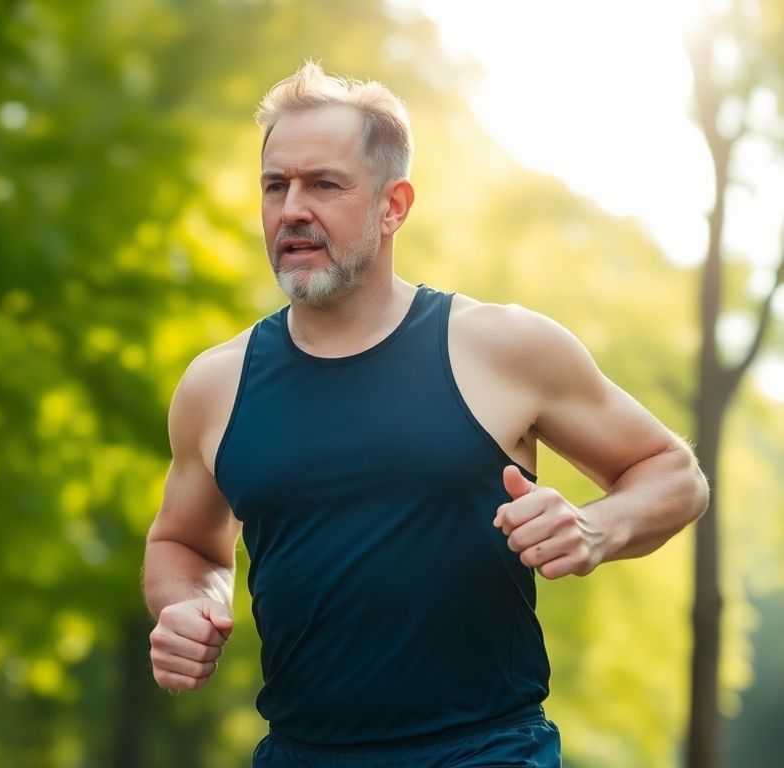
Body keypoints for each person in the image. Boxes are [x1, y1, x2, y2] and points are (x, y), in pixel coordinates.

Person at [141, 62, 710, 767]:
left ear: (393, 205)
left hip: (486, 750)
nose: (291, 209)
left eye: (324, 184)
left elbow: (673, 473)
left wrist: (597, 527)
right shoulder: (215, 385)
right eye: (275, 185)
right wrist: (186, 606)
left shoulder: (502, 347)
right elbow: (184, 544)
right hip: (299, 754)